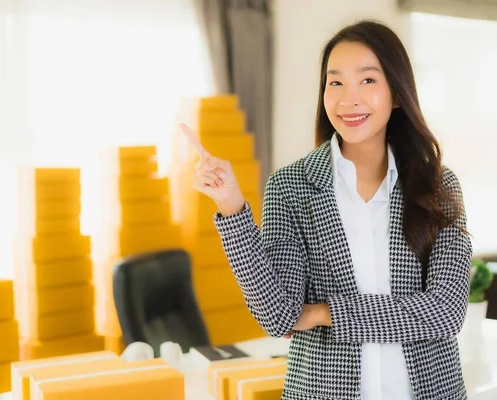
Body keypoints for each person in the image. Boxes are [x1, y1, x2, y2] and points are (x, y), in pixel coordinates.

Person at [185, 19, 472, 400]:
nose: (348, 99)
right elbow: (278, 315)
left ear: (397, 93)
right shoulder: (291, 187)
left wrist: (325, 313)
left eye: (367, 80)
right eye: (335, 82)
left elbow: (446, 311)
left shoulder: (438, 185)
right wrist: (231, 206)